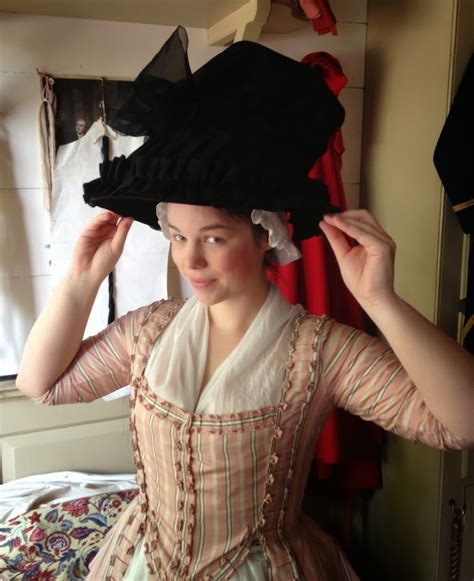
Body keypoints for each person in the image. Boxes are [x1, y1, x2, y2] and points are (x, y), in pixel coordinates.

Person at [16, 27, 474, 580]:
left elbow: (461, 424)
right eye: (178, 235)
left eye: (213, 237)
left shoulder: (318, 352)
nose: (190, 261)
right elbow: (41, 385)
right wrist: (81, 278)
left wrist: (380, 300)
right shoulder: (150, 332)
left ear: (266, 235)